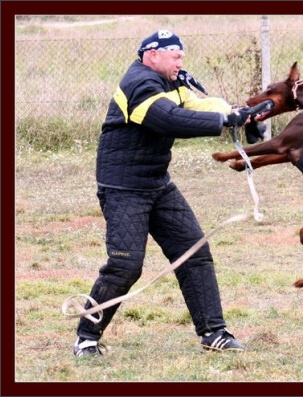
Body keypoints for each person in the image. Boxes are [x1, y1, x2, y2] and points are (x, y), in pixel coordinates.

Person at [73, 29, 251, 357]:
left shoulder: (173, 80)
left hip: (157, 183)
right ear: (152, 55)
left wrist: (237, 114)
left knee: (194, 252)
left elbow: (199, 104)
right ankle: (86, 337)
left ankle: (214, 333)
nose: (180, 61)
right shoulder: (138, 84)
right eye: (175, 55)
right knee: (125, 265)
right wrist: (222, 120)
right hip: (123, 188)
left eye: (181, 55)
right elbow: (168, 120)